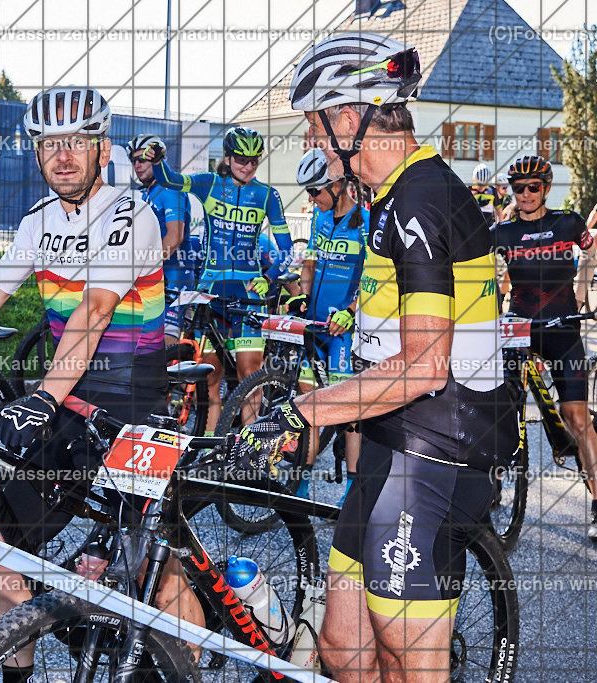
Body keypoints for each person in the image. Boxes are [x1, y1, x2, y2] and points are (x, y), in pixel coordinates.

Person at [0, 85, 205, 677]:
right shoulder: (37, 221)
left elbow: (95, 312)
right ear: (36, 154)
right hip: (68, 399)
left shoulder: (131, 214)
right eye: (50, 144)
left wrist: (38, 399)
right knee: (0, 556)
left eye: (78, 143)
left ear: (103, 150)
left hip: (133, 406)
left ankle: (190, 666)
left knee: (155, 572)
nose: (63, 155)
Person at [233, 33, 517, 679]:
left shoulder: (421, 196)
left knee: (407, 660)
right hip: (394, 434)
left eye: (313, 126)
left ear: (348, 118)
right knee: (343, 647)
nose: (312, 143)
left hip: (441, 446)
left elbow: (424, 364)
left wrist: (306, 410)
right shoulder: (388, 199)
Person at [148, 126, 296, 433]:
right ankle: (210, 450)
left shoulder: (268, 195)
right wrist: (159, 159)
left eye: (255, 160)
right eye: (241, 159)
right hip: (211, 294)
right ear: (227, 158)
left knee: (249, 375)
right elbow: (170, 179)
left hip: (247, 294)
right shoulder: (209, 183)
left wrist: (269, 278)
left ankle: (249, 452)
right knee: (210, 378)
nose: (248, 166)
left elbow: (286, 250)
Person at [493, 155, 597, 540]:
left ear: (546, 188)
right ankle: (492, 486)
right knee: (499, 411)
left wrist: (585, 298)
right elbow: (485, 278)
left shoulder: (567, 222)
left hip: (562, 328)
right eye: (518, 188)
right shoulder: (502, 233)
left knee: (576, 419)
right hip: (517, 329)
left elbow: (591, 251)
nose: (525, 194)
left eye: (533, 187)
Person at [290, 147, 368, 504]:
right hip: (317, 324)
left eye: (315, 191)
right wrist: (302, 299)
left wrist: (351, 310)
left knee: (348, 413)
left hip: (344, 331)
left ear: (338, 186)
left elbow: (374, 279)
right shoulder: (320, 220)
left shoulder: (365, 223)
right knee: (307, 406)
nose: (311, 198)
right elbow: (310, 264)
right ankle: (301, 484)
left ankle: (353, 486)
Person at [126, 134, 192, 342]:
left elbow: (174, 237)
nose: (137, 165)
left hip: (177, 276)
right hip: (159, 276)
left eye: (142, 160)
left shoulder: (170, 189)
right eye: (133, 160)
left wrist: (143, 268)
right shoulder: (148, 192)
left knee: (164, 346)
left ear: (157, 160)